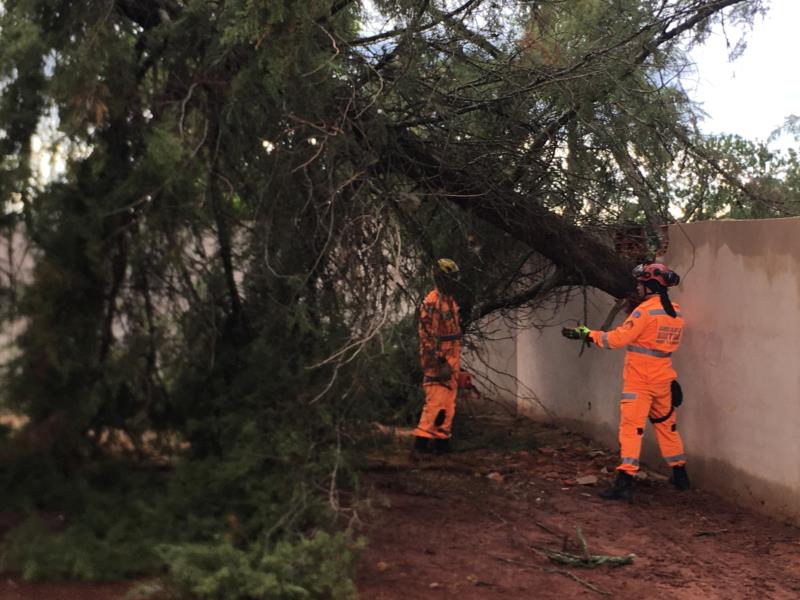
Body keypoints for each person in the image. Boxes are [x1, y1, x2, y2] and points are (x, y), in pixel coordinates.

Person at [562, 262, 689, 501]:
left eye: (640, 283)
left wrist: (589, 334)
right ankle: (680, 475)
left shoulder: (644, 312)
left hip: (640, 381)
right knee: (667, 426)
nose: (637, 287)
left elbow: (617, 340)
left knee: (631, 430)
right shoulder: (676, 312)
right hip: (664, 379)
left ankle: (625, 482)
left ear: (649, 285)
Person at [412, 258, 462, 455]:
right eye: (451, 278)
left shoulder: (449, 299)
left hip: (451, 358)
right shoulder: (431, 302)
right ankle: (421, 444)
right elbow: (426, 336)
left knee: (448, 403)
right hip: (437, 361)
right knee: (436, 402)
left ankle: (442, 441)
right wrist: (440, 360)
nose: (455, 282)